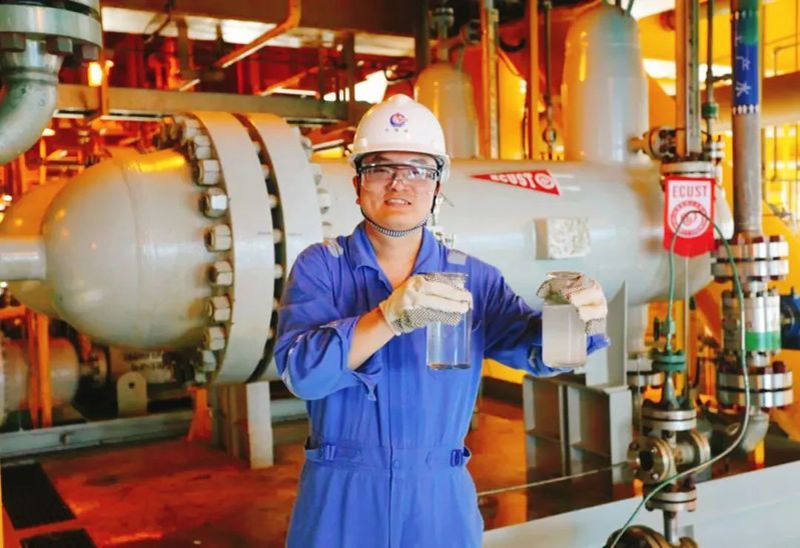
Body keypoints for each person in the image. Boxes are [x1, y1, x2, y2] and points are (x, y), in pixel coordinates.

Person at [275, 94, 609, 547]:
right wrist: (387, 318)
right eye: (381, 168)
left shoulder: (474, 279)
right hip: (340, 497)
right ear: (357, 183)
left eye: (418, 169)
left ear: (437, 186)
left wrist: (576, 319)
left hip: (437, 501)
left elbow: (538, 353)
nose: (400, 183)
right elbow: (303, 374)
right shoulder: (321, 268)